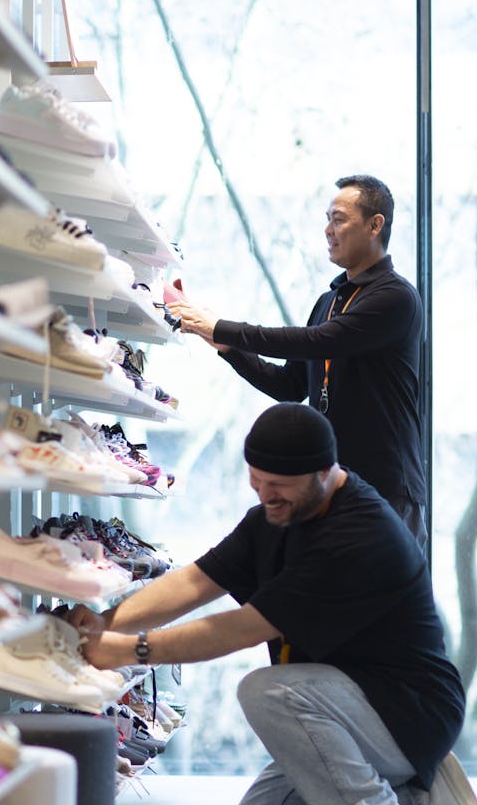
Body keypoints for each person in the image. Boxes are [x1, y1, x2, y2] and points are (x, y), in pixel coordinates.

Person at [66, 403, 477, 805]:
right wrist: (105, 624)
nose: (266, 496)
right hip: (347, 711)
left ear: (325, 472)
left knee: (267, 689)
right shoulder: (275, 514)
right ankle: (418, 794)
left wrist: (128, 651)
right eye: (257, 481)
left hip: (408, 711)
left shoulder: (359, 537)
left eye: (279, 486)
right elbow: (196, 583)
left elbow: (240, 629)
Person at [167, 175, 428, 547]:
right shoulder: (329, 301)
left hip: (388, 488)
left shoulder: (396, 297)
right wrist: (223, 344)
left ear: (375, 225)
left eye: (338, 219)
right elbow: (287, 386)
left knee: (378, 603)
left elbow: (320, 341)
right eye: (328, 219)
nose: (327, 230)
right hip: (332, 485)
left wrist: (222, 327)